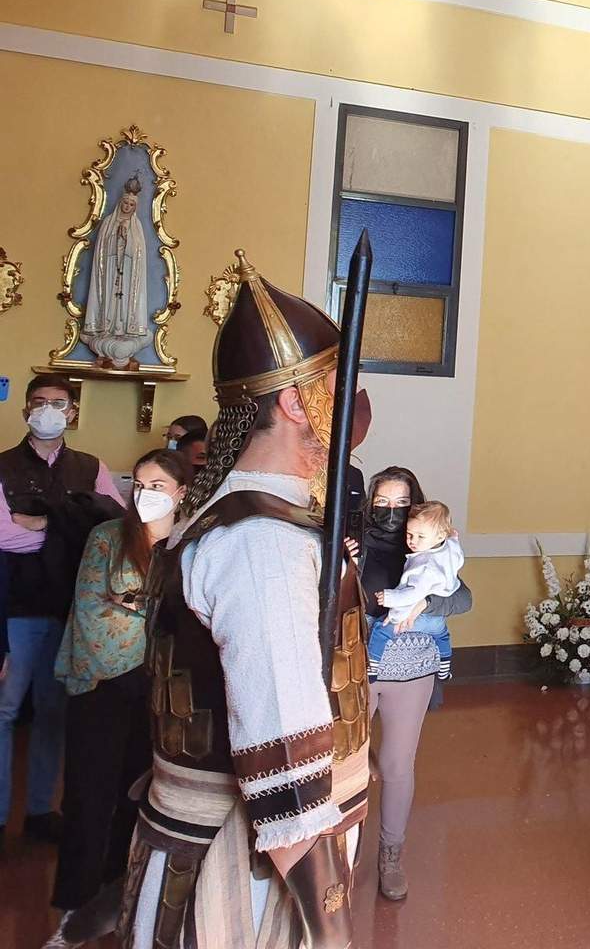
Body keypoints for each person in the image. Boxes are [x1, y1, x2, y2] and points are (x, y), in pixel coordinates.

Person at [119, 250, 372, 948]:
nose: (345, 400)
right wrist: (333, 930)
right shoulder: (263, 545)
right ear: (295, 402)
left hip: (226, 845)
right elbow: (284, 760)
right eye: (330, 385)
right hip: (251, 874)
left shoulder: (234, 517)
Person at [46, 449, 190, 948]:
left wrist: (133, 604)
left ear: (182, 493)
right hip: (104, 687)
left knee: (139, 800)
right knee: (88, 799)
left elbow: (195, 622)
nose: (146, 494)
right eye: (141, 484)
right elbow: (92, 611)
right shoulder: (107, 538)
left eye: (158, 486)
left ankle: (118, 900)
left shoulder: (190, 544)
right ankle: (73, 910)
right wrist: (153, 615)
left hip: (163, 695)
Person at [0, 374, 125, 844]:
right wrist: (71, 524)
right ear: (25, 410)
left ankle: (37, 813)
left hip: (70, 608)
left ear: (72, 412)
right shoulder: (2, 466)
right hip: (14, 607)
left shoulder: (92, 467)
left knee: (55, 715)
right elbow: (1, 536)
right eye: (38, 402)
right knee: (5, 712)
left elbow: (112, 529)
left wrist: (37, 521)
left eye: (58, 403)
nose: (47, 410)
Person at [356, 466, 474, 902]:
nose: (391, 512)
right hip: (360, 668)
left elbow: (463, 597)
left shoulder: (431, 547)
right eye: (382, 503)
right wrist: (344, 560)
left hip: (412, 669)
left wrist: (426, 599)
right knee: (345, 764)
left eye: (401, 504)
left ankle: (390, 855)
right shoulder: (354, 543)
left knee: (397, 766)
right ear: (370, 505)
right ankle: (339, 850)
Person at [367, 499, 463, 682]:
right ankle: (444, 668)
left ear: (439, 536)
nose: (413, 541)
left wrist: (389, 598)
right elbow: (457, 551)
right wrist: (454, 537)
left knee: (381, 629)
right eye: (409, 534)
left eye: (420, 536)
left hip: (419, 617)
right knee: (442, 636)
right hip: (437, 619)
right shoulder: (448, 548)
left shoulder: (425, 566)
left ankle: (372, 667)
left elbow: (414, 593)